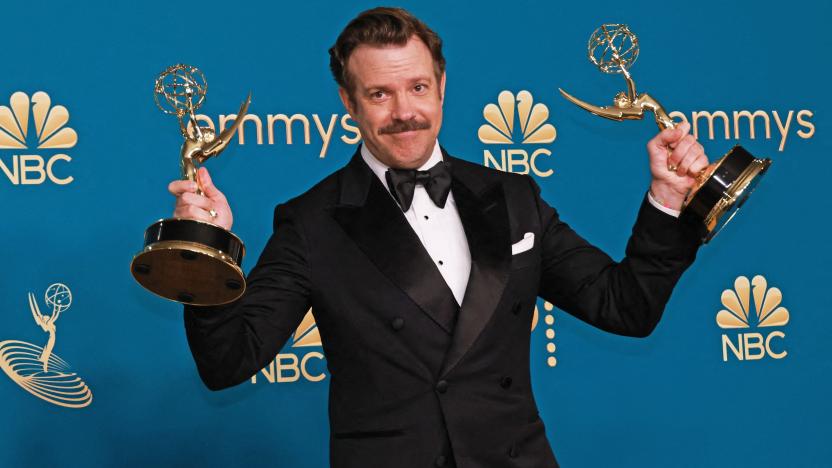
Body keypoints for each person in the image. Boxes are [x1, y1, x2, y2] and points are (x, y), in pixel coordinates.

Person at [170, 7, 708, 468]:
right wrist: (204, 248)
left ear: (443, 85)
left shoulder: (514, 197)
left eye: (418, 87)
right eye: (379, 93)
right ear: (347, 103)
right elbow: (228, 362)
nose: (405, 112)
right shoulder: (312, 222)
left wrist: (666, 201)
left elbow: (626, 308)